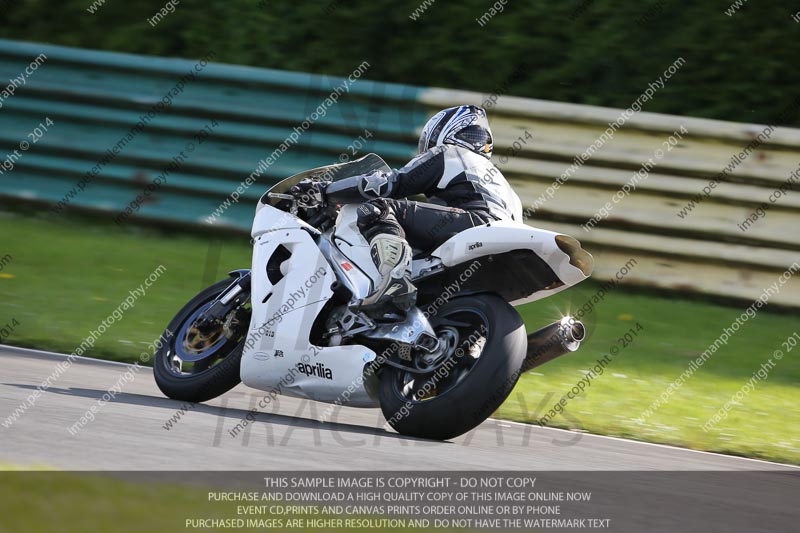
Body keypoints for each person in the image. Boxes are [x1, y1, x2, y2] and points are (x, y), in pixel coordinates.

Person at [291, 105, 523, 312]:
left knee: (377, 208)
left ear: (443, 133)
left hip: (476, 223)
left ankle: (395, 280)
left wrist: (324, 190)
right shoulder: (502, 185)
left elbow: (387, 184)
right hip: (503, 240)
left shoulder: (449, 153)